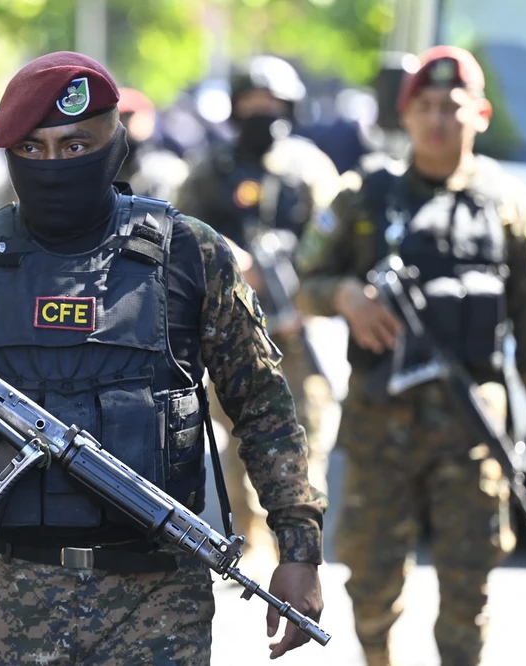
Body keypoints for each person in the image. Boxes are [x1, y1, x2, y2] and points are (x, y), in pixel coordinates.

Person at [0, 51, 325, 665]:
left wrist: (299, 547)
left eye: (75, 146)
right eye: (33, 150)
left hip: (156, 603)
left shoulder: (188, 255)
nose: (53, 164)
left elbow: (263, 406)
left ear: (116, 143)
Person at [296, 46, 526, 666]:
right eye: (425, 107)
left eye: (452, 106)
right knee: (369, 578)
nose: (438, 119)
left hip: (471, 429)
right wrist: (346, 295)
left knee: (468, 583)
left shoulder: (508, 205)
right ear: (405, 114)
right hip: (378, 427)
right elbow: (305, 283)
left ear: (481, 114)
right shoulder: (364, 195)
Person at [175, 54, 340, 575]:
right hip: (231, 332)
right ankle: (251, 539)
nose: (261, 112)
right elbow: (181, 237)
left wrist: (297, 281)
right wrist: (228, 258)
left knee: (306, 437)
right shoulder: (211, 171)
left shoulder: (311, 169)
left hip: (296, 327)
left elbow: (334, 241)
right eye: (251, 103)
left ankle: (302, 545)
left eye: (271, 104)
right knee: (240, 437)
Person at [116, 87, 191, 201]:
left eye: (128, 116)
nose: (123, 124)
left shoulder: (164, 164)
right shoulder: (109, 160)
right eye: (117, 118)